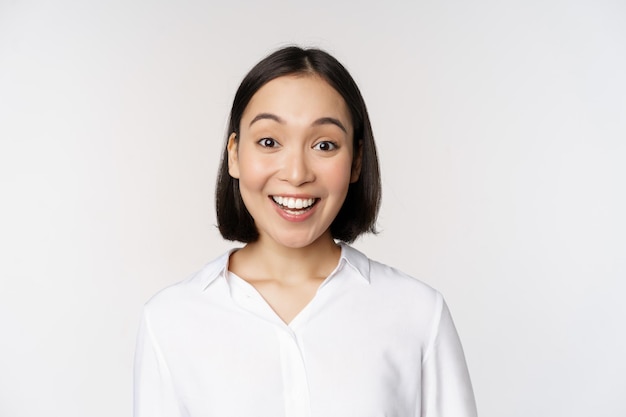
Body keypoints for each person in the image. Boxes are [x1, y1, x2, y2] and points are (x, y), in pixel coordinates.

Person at [134, 46, 477, 417]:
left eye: (324, 145)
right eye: (269, 142)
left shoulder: (418, 314)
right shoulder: (171, 320)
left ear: (356, 160)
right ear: (234, 154)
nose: (296, 173)